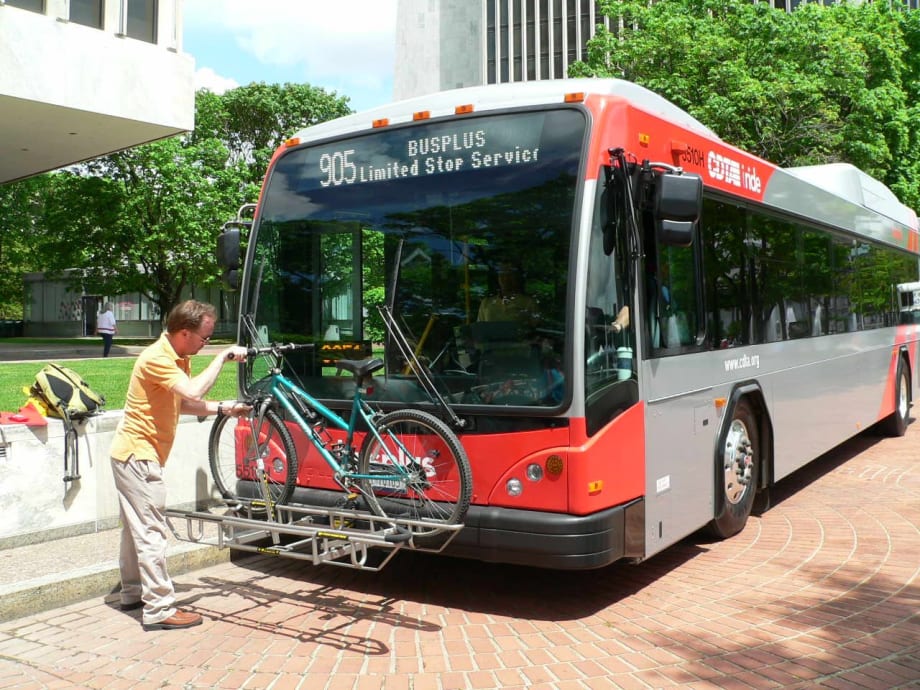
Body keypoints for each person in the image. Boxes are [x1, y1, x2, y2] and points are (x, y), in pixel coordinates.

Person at [109, 300, 249, 631]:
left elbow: (183, 403)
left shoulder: (176, 357)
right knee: (151, 531)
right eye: (204, 338)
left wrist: (225, 408)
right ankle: (158, 607)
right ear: (184, 332)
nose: (206, 344)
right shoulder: (157, 358)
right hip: (138, 456)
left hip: (132, 454)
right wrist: (222, 358)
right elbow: (193, 389)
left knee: (135, 530)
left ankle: (132, 592)